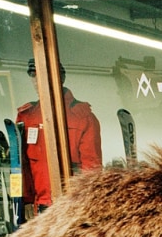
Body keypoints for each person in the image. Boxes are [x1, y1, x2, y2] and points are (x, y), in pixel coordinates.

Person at [16, 60, 102, 220]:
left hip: (71, 206)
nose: (37, 81)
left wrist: (87, 206)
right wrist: (26, 200)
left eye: (42, 75)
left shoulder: (83, 117)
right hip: (38, 206)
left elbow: (92, 169)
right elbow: (23, 165)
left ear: (60, 77)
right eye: (33, 75)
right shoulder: (27, 116)